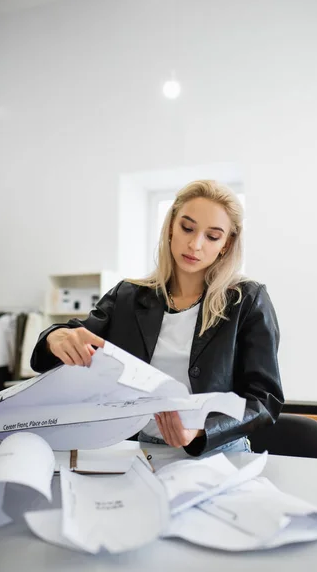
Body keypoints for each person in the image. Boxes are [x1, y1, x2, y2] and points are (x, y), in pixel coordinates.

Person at [31, 180, 284, 456]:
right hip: (143, 451)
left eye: (212, 236)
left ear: (226, 244)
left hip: (221, 452)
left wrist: (200, 432)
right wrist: (55, 338)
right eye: (187, 228)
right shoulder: (128, 296)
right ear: (171, 227)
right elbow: (71, 341)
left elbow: (264, 400)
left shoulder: (247, 300)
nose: (195, 244)